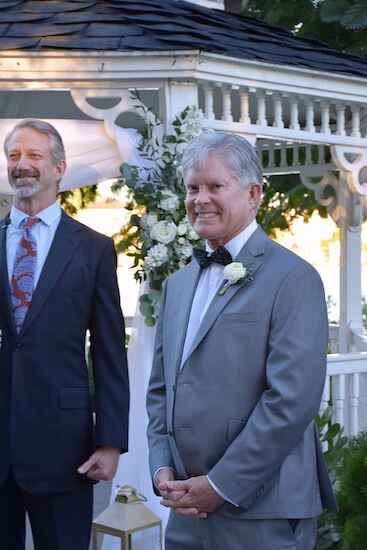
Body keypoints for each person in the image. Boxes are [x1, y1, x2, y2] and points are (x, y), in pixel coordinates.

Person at [146, 131, 337, 550]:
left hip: (260, 509)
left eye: (215, 186)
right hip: (184, 510)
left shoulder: (294, 278)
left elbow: (291, 400)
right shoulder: (178, 285)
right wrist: (162, 470)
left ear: (252, 194)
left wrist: (220, 485)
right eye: (192, 187)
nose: (200, 198)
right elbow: (161, 390)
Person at [0, 119, 129, 550]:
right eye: (14, 156)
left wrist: (110, 442)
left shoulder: (93, 249)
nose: (22, 165)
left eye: (34, 155)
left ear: (59, 168)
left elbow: (110, 351)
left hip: (64, 448)